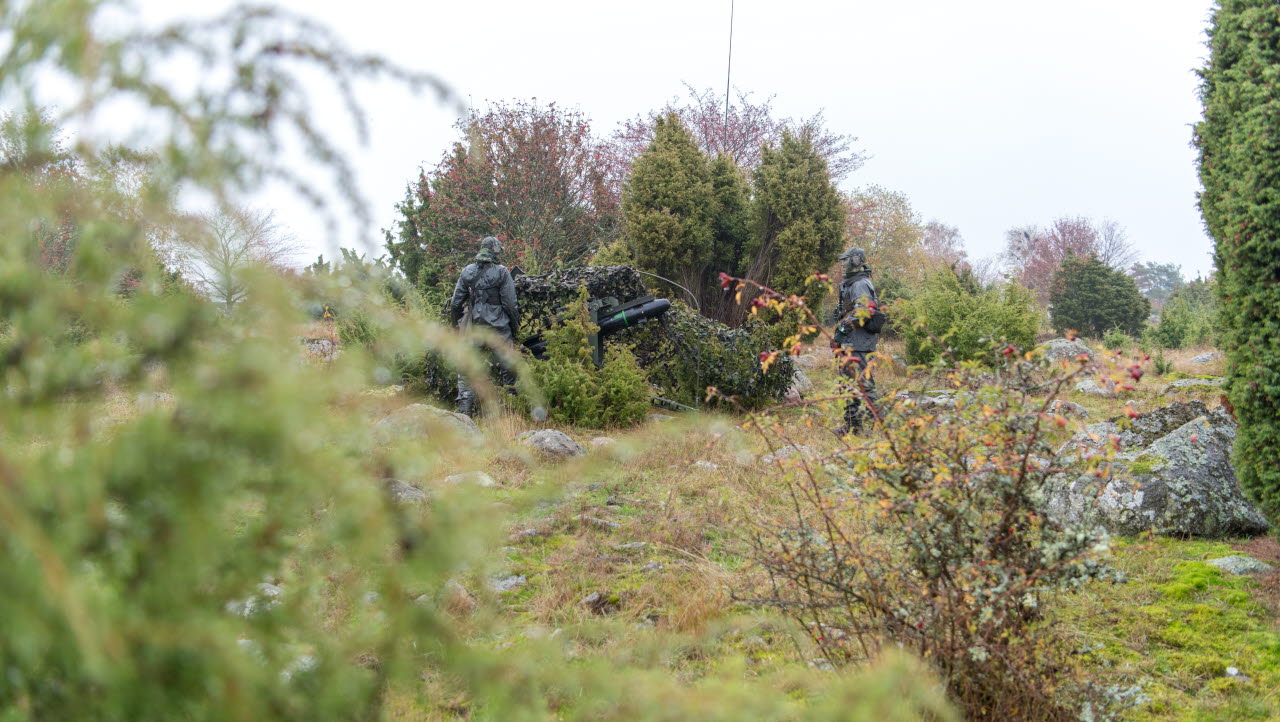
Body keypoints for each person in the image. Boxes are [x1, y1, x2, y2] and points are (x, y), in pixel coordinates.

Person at [449, 236, 519, 416]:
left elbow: (455, 304)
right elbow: (510, 304)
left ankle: (464, 417)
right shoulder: (502, 272)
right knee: (508, 368)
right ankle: (508, 415)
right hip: (499, 328)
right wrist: (514, 328)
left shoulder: (467, 272)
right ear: (495, 250)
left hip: (473, 329)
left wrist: (456, 327)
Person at [831, 246, 883, 436]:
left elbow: (864, 310)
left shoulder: (860, 284)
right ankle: (853, 426)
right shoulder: (851, 283)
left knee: (864, 386)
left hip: (860, 344)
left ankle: (882, 428)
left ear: (855, 260)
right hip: (852, 342)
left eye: (846, 260)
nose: (843, 264)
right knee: (848, 385)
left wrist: (842, 330)